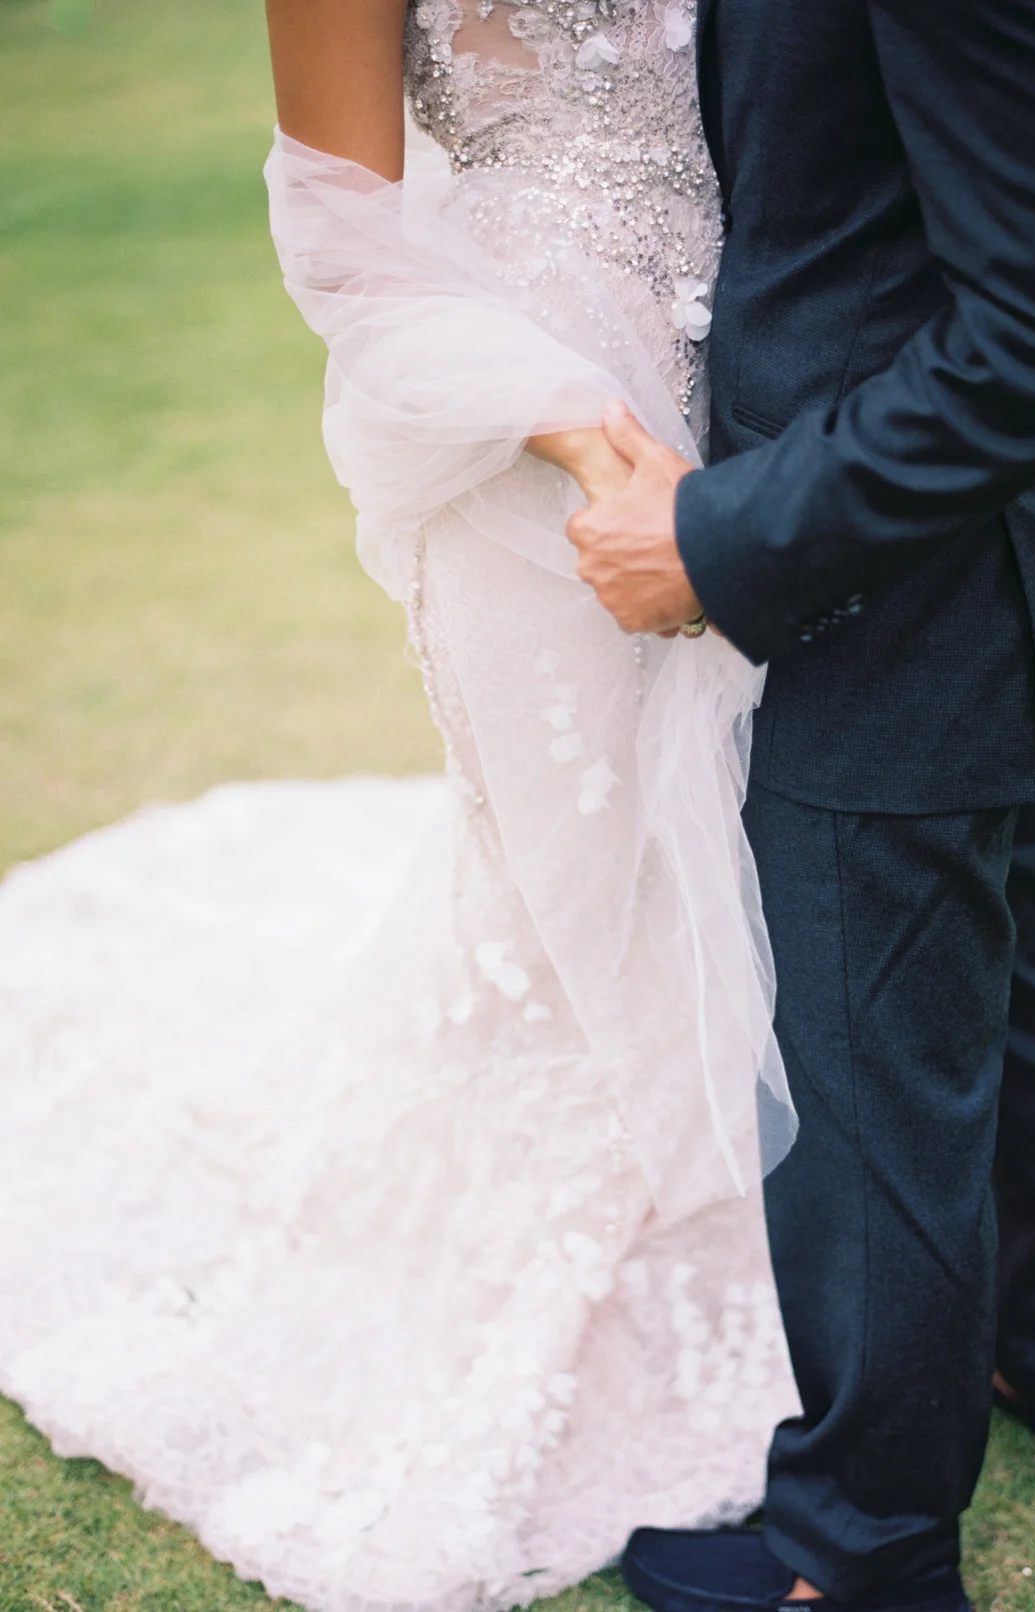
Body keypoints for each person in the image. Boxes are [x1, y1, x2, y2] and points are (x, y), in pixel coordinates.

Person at [0, 1, 808, 1608]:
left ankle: (823, 1267)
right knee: (578, 883)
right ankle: (610, 1279)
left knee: (754, 845)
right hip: (533, 433)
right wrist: (585, 432)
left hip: (785, 380)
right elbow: (339, 225)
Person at [562, 1, 1035, 1609]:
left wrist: (723, 544)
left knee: (872, 1078)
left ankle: (867, 1547)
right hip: (996, 570)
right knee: (1030, 960)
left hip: (895, 606)